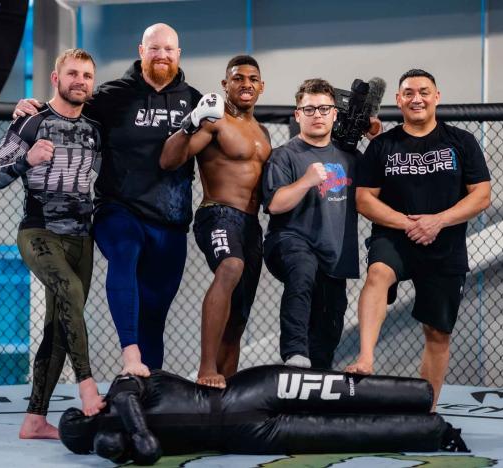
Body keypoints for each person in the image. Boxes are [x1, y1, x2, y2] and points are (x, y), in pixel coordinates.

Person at [14, 24, 202, 376]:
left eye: (169, 49)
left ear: (179, 54)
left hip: (172, 220)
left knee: (155, 313)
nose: (162, 55)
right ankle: (130, 356)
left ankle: (146, 389)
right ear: (141, 50)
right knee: (125, 253)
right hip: (120, 208)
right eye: (155, 48)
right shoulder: (113, 95)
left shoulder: (193, 99)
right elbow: (68, 107)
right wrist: (34, 105)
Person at [345, 69, 492, 410]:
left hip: (445, 245)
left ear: (436, 97)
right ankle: (366, 358)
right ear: (399, 100)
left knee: (437, 334)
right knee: (378, 274)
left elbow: (481, 195)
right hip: (396, 238)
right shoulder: (383, 145)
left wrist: (437, 222)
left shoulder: (461, 141)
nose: (416, 98)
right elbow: (364, 199)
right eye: (408, 92)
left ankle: (426, 410)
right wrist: (408, 224)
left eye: (423, 91)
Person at [0, 48, 105, 439]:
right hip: (39, 232)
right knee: (68, 290)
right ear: (56, 78)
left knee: (58, 325)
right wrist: (26, 161)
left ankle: (34, 419)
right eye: (72, 73)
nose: (80, 81)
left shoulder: (95, 128)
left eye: (87, 75)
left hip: (81, 239)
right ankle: (87, 385)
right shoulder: (30, 122)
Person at [58, 365, 468, 465]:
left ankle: (421, 396)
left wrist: (136, 437)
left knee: (343, 391)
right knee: (347, 431)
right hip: (251, 437)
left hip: (248, 391)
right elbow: (132, 447)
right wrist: (118, 445)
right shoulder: (120, 435)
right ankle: (434, 429)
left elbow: (130, 407)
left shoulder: (124, 388)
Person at [160, 55, 271, 388]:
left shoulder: (262, 133)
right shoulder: (215, 120)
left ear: (261, 86)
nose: (246, 84)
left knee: (239, 315)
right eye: (238, 78)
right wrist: (191, 121)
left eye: (252, 79)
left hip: (252, 224)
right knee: (230, 267)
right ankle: (206, 368)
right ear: (226, 85)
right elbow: (168, 160)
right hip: (218, 212)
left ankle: (226, 386)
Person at [262, 79, 381, 370]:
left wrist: (377, 139)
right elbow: (275, 204)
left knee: (331, 320)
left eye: (324, 108)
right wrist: (306, 182)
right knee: (303, 272)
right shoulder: (284, 155)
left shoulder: (351, 157)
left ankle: (316, 377)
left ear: (334, 114)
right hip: (289, 241)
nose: (317, 114)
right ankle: (294, 354)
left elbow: (381, 185)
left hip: (334, 250)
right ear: (298, 114)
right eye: (310, 109)